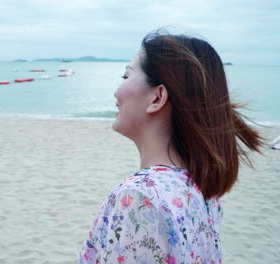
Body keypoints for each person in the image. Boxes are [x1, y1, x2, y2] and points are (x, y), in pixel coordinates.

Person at [79, 30, 263, 264]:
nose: (117, 91)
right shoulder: (202, 191)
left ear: (157, 98)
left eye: (126, 76)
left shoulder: (140, 196)